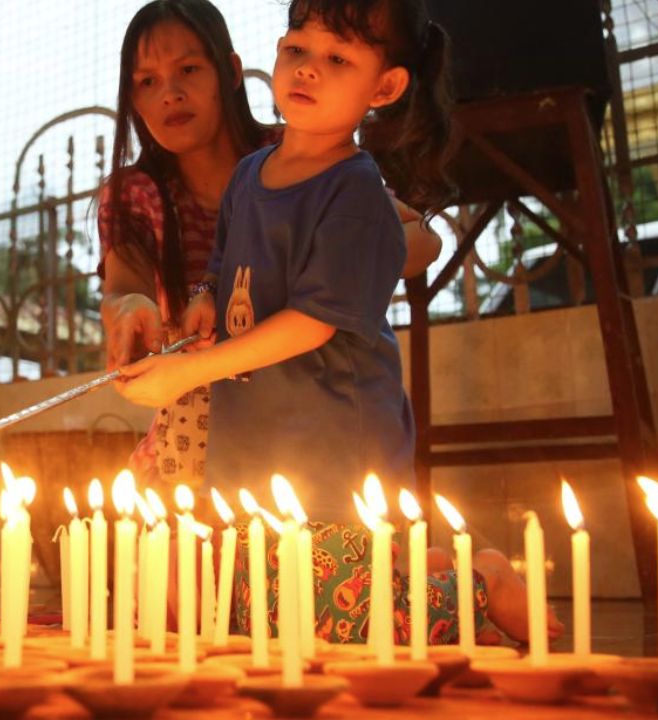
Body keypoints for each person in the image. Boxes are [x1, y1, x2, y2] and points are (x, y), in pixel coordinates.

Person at [118, 0, 561, 646]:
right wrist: (210, 297)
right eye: (298, 49)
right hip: (252, 451)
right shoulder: (249, 177)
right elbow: (223, 260)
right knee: (243, 611)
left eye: (337, 59)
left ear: (384, 87)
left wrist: (188, 371)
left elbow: (311, 324)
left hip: (334, 451)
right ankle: (421, 574)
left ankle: (479, 582)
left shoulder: (353, 190)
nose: (307, 71)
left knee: (334, 617)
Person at [98, 0, 441, 493]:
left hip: (321, 420)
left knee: (342, 560)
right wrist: (160, 301)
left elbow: (421, 240)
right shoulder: (196, 184)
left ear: (230, 71)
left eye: (188, 69)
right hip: (229, 424)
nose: (169, 94)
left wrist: (325, 260)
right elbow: (135, 284)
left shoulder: (318, 155)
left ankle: (476, 574)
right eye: (146, 81)